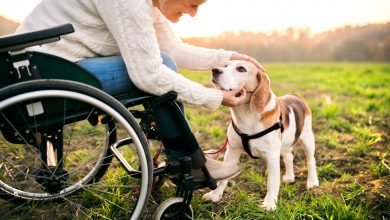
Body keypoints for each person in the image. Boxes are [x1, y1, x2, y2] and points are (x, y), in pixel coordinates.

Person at [16, 0, 265, 181]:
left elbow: (174, 49)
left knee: (163, 61)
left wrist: (229, 56)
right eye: (192, 4)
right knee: (160, 67)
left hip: (37, 67)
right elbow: (150, 74)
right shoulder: (130, 3)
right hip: (44, 75)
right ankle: (187, 159)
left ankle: (188, 156)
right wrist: (214, 96)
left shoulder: (150, 5)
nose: (193, 13)